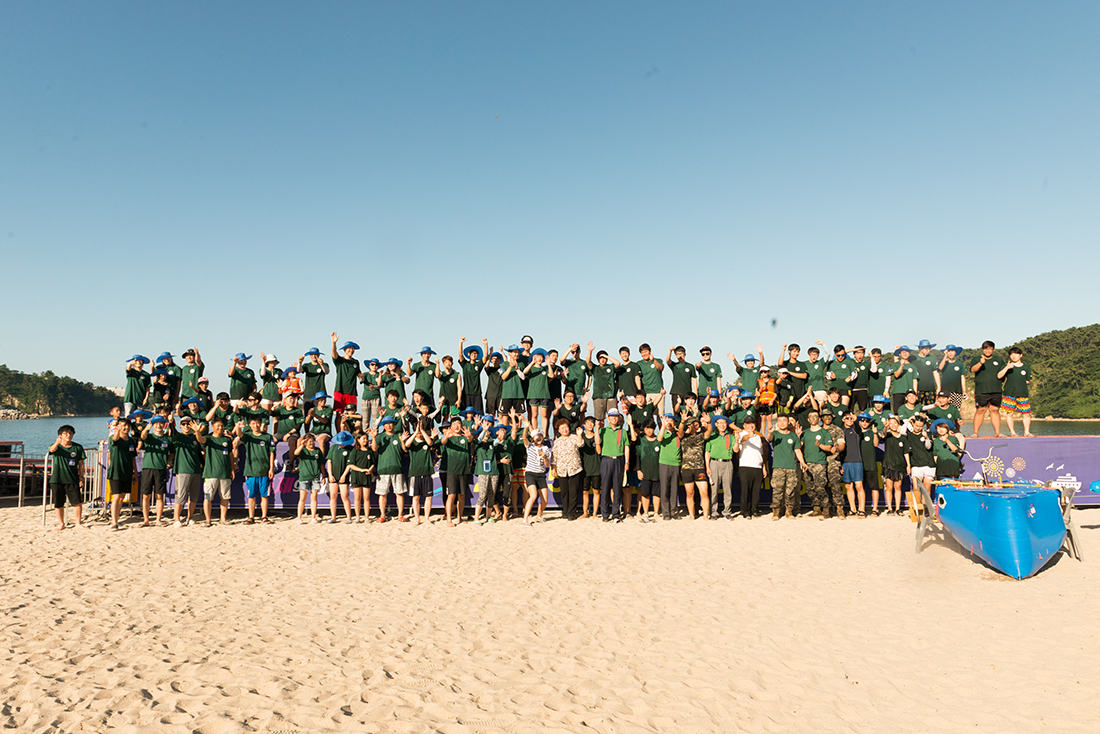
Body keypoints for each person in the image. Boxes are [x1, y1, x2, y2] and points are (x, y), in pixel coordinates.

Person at [235, 415, 276, 524]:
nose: (256, 425)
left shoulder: (267, 437)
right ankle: (251, 517)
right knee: (252, 495)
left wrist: (271, 468)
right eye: (253, 423)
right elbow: (240, 435)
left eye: (257, 423)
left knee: (264, 495)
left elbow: (271, 453)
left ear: (261, 423)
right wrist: (239, 427)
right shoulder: (248, 436)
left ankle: (264, 516)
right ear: (249, 425)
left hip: (264, 471)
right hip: (251, 471)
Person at [195, 416, 234, 526]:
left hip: (225, 473)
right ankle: (208, 520)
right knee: (208, 497)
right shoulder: (209, 439)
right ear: (212, 427)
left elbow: (230, 455)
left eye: (222, 426)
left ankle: (223, 518)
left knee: (225, 497)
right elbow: (200, 440)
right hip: (211, 473)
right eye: (218, 426)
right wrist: (197, 431)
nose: (220, 428)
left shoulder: (227, 439)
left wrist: (232, 469)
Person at [596, 408, 632, 522]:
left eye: (616, 416)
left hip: (619, 461)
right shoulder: (603, 431)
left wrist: (626, 462)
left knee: (617, 488)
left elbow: (627, 447)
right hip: (606, 460)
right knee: (605, 488)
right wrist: (597, 429)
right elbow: (597, 442)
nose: (614, 418)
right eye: (611, 416)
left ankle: (616, 513)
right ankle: (605, 514)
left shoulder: (623, 432)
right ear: (608, 418)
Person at [767, 414, 806, 520]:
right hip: (778, 466)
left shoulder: (793, 436)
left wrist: (802, 463)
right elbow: (769, 439)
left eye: (784, 420)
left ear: (788, 422)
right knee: (777, 490)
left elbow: (797, 450)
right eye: (780, 421)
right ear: (777, 423)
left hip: (792, 467)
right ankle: (776, 512)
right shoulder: (774, 434)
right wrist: (770, 433)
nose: (782, 422)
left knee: (791, 490)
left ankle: (789, 512)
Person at [49, 424, 87, 531]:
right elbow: (51, 450)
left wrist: (81, 478)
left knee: (77, 502)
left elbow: (81, 464)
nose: (68, 435)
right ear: (60, 435)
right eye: (65, 433)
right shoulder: (56, 446)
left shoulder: (77, 447)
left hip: (72, 478)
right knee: (58, 503)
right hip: (57, 479)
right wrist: (57, 442)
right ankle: (61, 524)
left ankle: (78, 523)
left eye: (70, 433)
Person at [372, 416, 408, 522]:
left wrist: (402, 441)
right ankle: (382, 515)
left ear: (394, 424)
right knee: (382, 494)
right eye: (386, 424)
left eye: (391, 423)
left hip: (397, 468)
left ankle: (400, 515)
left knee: (399, 493)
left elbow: (405, 450)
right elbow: (374, 448)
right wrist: (373, 437)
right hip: (383, 469)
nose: (389, 425)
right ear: (383, 425)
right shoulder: (380, 436)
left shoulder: (398, 435)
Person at [170, 416, 204, 527]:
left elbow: (200, 453)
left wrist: (203, 467)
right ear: (180, 426)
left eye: (188, 424)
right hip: (183, 469)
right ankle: (176, 519)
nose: (186, 426)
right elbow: (173, 433)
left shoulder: (195, 438)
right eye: (183, 424)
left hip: (195, 470)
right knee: (181, 495)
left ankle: (190, 518)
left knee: (193, 496)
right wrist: (171, 422)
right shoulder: (178, 437)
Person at [106, 418, 139, 530]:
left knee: (122, 497)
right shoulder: (113, 438)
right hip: (116, 472)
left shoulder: (131, 441)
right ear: (119, 426)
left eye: (128, 426)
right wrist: (117, 430)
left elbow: (133, 459)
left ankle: (116, 519)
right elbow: (115, 439)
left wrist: (135, 473)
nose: (126, 428)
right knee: (115, 497)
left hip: (127, 472)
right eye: (123, 426)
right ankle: (114, 522)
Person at [404, 418, 439, 525]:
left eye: (420, 432)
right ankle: (417, 518)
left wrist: (422, 430)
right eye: (418, 431)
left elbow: (430, 442)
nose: (419, 434)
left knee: (428, 497)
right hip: (415, 473)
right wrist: (415, 432)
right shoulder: (412, 443)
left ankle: (427, 518)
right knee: (416, 497)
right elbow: (406, 445)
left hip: (427, 472)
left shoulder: (426, 441)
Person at [440, 416, 473, 526]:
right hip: (452, 472)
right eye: (454, 424)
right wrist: (446, 436)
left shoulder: (465, 437)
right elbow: (442, 442)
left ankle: (459, 518)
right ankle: (449, 519)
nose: (457, 426)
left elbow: (471, 440)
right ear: (451, 427)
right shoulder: (449, 438)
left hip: (464, 471)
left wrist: (470, 436)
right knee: (451, 495)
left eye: (459, 423)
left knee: (462, 495)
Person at [139, 416, 172, 526]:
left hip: (160, 469)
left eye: (161, 423)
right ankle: (146, 520)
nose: (158, 425)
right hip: (148, 468)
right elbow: (142, 437)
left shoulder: (167, 439)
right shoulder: (149, 436)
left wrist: (168, 462)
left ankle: (158, 520)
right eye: (156, 423)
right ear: (153, 425)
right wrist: (145, 429)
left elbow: (173, 452)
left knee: (159, 496)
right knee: (146, 495)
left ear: (164, 425)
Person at [801, 411, 834, 518]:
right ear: (807, 419)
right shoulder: (805, 433)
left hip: (820, 463)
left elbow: (829, 448)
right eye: (810, 416)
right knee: (810, 488)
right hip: (807, 463)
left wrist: (820, 445)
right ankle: (816, 508)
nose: (813, 418)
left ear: (819, 419)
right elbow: (799, 446)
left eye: (815, 416)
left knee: (820, 487)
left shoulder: (824, 432)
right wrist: (797, 436)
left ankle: (826, 509)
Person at [970, 340, 1005, 438]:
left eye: (990, 349)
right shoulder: (977, 359)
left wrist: (1002, 381)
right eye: (986, 349)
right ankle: (975, 432)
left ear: (993, 350)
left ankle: (998, 432)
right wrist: (981, 363)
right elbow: (973, 370)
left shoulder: (999, 360)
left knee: (995, 410)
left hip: (996, 390)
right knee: (980, 411)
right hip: (981, 390)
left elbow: (1003, 372)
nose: (988, 351)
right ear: (982, 349)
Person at [521, 421, 554, 525]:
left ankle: (539, 516)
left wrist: (544, 457)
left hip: (540, 474)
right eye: (536, 436)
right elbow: (524, 439)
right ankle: (525, 519)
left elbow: (547, 465)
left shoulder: (545, 449)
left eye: (540, 436)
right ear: (533, 438)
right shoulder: (530, 446)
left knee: (545, 498)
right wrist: (526, 428)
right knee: (533, 495)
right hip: (530, 473)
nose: (538, 438)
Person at [472, 419, 504, 525]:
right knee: (482, 495)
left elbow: (496, 442)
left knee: (491, 494)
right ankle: (476, 518)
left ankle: (488, 516)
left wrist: (499, 437)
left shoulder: (491, 443)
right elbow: (477, 440)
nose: (486, 434)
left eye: (488, 432)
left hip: (494, 472)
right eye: (485, 432)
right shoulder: (477, 444)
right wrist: (483, 431)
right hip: (482, 472)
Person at [553, 418, 586, 521]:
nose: (565, 429)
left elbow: (581, 444)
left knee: (573, 492)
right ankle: (565, 511)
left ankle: (572, 513)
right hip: (562, 470)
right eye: (562, 428)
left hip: (574, 468)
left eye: (566, 427)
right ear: (558, 430)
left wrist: (580, 434)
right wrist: (553, 468)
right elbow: (554, 457)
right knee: (564, 493)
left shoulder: (574, 437)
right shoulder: (557, 442)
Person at [705, 414, 736, 519]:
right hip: (714, 463)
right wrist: (707, 467)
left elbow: (735, 450)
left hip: (728, 463)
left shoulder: (731, 436)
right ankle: (713, 511)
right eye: (720, 423)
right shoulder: (712, 436)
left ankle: (727, 511)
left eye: (724, 423)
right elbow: (707, 452)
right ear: (716, 424)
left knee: (728, 489)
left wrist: (738, 440)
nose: (722, 425)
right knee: (714, 489)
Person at [734, 417, 766, 519]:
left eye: (752, 423)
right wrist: (748, 436)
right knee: (745, 490)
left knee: (756, 491)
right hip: (745, 466)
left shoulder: (758, 436)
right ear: (744, 425)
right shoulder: (741, 434)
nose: (750, 425)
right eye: (748, 424)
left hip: (757, 466)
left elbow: (761, 453)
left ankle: (754, 510)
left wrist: (763, 467)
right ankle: (745, 511)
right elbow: (743, 440)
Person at [998, 347, 1033, 437]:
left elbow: (1028, 380)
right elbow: (999, 376)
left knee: (1026, 414)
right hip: (1009, 393)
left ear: (1020, 355)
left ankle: (1027, 432)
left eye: (1016, 354)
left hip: (1022, 393)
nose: (1014, 356)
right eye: (1011, 354)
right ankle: (1012, 432)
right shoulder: (1008, 366)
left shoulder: (1026, 367)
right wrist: (1007, 368)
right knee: (1010, 413)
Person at [343, 431, 376, 523]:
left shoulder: (369, 451)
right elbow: (350, 464)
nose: (365, 440)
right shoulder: (354, 451)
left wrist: (370, 469)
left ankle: (366, 517)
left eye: (366, 438)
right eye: (363, 439)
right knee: (357, 498)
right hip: (356, 476)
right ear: (358, 440)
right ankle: (357, 517)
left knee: (366, 498)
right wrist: (361, 470)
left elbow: (373, 463)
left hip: (366, 477)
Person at [680, 417, 709, 520]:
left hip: (699, 468)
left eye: (697, 424)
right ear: (688, 425)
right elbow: (679, 433)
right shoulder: (684, 436)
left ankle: (705, 515)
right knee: (689, 493)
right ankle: (691, 515)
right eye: (693, 424)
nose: (695, 426)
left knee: (704, 492)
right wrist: (683, 421)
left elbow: (709, 432)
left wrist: (709, 422)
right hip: (687, 468)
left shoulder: (701, 436)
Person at [881, 416, 910, 516]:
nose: (893, 425)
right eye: (891, 423)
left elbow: (906, 452)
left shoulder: (903, 437)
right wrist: (885, 427)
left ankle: (898, 508)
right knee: (889, 487)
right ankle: (889, 508)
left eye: (895, 423)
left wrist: (908, 465)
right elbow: (883, 434)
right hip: (888, 465)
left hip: (900, 465)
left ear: (898, 424)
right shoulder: (888, 435)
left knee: (898, 487)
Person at [820, 411, 847, 519]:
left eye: (829, 416)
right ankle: (826, 510)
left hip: (833, 461)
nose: (827, 418)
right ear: (821, 418)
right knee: (822, 486)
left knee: (835, 486)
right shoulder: (818, 430)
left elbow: (842, 445)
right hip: (820, 461)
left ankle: (839, 509)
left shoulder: (837, 430)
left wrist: (836, 449)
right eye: (825, 416)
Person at [293, 433, 325, 523]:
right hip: (304, 476)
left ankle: (313, 517)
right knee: (302, 498)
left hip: (315, 477)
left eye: (312, 441)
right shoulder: (302, 450)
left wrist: (324, 476)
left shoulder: (317, 451)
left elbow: (321, 464)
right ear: (306, 442)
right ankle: (299, 518)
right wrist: (301, 445)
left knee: (314, 497)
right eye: (309, 441)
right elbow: (295, 453)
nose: (311, 443)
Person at [906, 414, 936, 513]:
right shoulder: (908, 434)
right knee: (916, 486)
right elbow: (901, 430)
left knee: (927, 488)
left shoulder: (927, 434)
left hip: (929, 465)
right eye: (916, 425)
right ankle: (918, 506)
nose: (918, 428)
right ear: (913, 424)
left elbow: (929, 447)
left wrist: (927, 438)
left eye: (920, 426)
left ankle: (925, 508)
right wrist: (908, 420)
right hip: (916, 465)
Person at [839, 412, 865, 518]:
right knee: (848, 486)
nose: (849, 420)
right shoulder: (841, 432)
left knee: (859, 486)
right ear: (843, 420)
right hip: (845, 462)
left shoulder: (856, 430)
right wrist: (840, 465)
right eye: (847, 418)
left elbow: (860, 430)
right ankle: (852, 509)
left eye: (851, 418)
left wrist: (856, 421)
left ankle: (862, 510)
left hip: (857, 462)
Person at [656, 413, 682, 520]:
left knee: (674, 489)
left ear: (675, 422)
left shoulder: (678, 434)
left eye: (671, 421)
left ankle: (673, 511)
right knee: (664, 489)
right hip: (664, 463)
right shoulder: (663, 432)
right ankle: (666, 512)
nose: (669, 423)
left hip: (676, 464)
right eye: (667, 421)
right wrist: (663, 426)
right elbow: (659, 439)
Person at [326, 431, 355, 523]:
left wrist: (344, 475)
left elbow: (349, 464)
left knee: (345, 496)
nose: (341, 445)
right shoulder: (333, 447)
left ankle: (349, 517)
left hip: (343, 476)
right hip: (333, 475)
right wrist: (330, 474)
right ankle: (333, 517)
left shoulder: (350, 449)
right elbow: (329, 461)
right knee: (333, 496)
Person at [856, 413, 881, 516]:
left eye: (867, 421)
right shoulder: (856, 432)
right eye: (862, 420)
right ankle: (861, 509)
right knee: (860, 488)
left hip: (871, 465)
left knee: (874, 487)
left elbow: (875, 444)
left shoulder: (872, 432)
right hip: (859, 465)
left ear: (870, 422)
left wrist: (875, 434)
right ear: (859, 422)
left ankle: (875, 509)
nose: (864, 422)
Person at [523, 349, 553, 435]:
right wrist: (532, 362)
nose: (539, 359)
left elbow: (551, 375)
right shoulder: (531, 368)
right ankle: (535, 432)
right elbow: (525, 372)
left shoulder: (545, 368)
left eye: (541, 358)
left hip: (544, 394)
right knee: (534, 415)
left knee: (544, 415)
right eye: (537, 357)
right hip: (533, 394)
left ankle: (544, 433)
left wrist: (548, 364)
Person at [330, 333, 362, 413]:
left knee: (351, 414)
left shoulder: (356, 362)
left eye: (353, 348)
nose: (351, 350)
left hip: (352, 392)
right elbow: (334, 354)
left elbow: (359, 375)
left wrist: (362, 378)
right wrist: (334, 343)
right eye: (349, 348)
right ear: (344, 349)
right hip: (340, 390)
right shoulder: (340, 360)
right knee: (338, 413)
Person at [579, 415, 601, 519]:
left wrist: (597, 429)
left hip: (596, 468)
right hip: (585, 469)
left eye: (592, 422)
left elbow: (599, 451)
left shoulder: (598, 435)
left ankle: (595, 513)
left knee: (596, 491)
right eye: (587, 422)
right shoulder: (581, 437)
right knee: (585, 491)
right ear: (584, 425)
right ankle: (585, 512)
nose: (590, 424)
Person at [459, 338, 489, 413]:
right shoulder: (465, 364)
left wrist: (485, 344)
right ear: (469, 355)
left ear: (477, 355)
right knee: (467, 414)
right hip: (466, 393)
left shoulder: (478, 365)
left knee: (478, 414)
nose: (474, 355)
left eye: (475, 354)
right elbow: (460, 354)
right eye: (472, 353)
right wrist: (460, 343)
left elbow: (485, 356)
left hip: (477, 393)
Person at [588, 347, 618, 421]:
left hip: (611, 396)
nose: (602, 359)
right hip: (598, 396)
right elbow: (588, 362)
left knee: (613, 418)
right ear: (598, 359)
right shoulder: (595, 368)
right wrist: (590, 351)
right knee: (599, 419)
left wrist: (606, 356)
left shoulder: (611, 367)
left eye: (604, 357)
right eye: (600, 358)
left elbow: (618, 363)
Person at [300, 347, 330, 412]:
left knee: (319, 414)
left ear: (318, 355)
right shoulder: (307, 365)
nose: (314, 356)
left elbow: (327, 371)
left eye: (315, 354)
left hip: (320, 394)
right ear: (310, 356)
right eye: (312, 354)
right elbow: (299, 370)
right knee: (307, 415)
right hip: (308, 394)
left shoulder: (325, 364)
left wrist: (321, 364)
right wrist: (300, 362)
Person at [937, 345, 967, 409]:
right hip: (945, 391)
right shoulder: (943, 362)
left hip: (957, 391)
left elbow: (962, 377)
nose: (950, 353)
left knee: (956, 410)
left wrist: (964, 390)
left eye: (952, 351)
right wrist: (945, 356)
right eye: (949, 351)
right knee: (944, 409)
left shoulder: (960, 364)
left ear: (955, 352)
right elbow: (940, 368)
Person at [637, 343, 665, 411]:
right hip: (646, 392)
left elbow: (660, 368)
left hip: (658, 391)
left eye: (646, 352)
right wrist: (640, 391)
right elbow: (637, 378)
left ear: (650, 351)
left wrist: (653, 360)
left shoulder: (658, 360)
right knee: (648, 414)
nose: (644, 354)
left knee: (660, 414)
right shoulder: (639, 364)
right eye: (642, 352)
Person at [912, 340, 941, 405]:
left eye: (929, 348)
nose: (928, 350)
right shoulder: (913, 358)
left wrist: (939, 387)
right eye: (926, 349)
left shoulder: (932, 358)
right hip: (917, 389)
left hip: (930, 388)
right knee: (917, 409)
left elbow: (936, 372)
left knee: (931, 409)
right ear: (920, 348)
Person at [889, 346, 916, 414]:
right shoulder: (895, 364)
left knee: (909, 412)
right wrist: (901, 366)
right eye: (903, 352)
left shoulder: (913, 366)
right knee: (897, 412)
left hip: (909, 393)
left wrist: (915, 393)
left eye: (906, 352)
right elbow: (896, 375)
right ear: (900, 354)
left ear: (909, 353)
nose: (905, 354)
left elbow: (915, 380)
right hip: (898, 392)